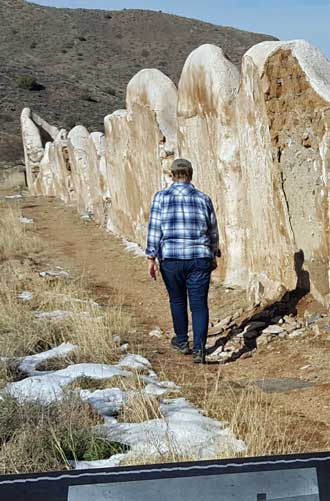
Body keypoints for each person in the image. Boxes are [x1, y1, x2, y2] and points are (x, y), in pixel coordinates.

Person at [145, 158, 220, 364]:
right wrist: (213, 252)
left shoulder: (161, 197)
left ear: (172, 175)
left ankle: (181, 341)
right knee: (199, 304)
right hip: (199, 257)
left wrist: (151, 257)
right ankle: (199, 350)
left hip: (172, 257)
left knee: (177, 300)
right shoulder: (204, 198)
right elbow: (213, 229)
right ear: (191, 174)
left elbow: (154, 228)